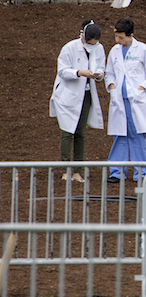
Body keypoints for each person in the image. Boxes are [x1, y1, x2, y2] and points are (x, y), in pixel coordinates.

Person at [49, 20, 106, 182]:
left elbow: (102, 66)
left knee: (81, 133)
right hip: (68, 95)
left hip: (86, 96)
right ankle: (65, 170)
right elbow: (62, 71)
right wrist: (79, 72)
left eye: (95, 44)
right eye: (90, 43)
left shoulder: (99, 48)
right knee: (68, 131)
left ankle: (77, 171)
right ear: (83, 37)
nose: (92, 46)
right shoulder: (69, 48)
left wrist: (100, 74)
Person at [105, 18, 146, 183]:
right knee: (119, 136)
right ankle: (116, 172)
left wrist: (141, 89)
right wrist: (113, 88)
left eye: (121, 38)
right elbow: (109, 73)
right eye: (116, 37)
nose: (117, 41)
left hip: (136, 100)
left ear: (131, 35)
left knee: (137, 135)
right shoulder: (114, 51)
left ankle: (142, 173)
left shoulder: (142, 49)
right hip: (119, 100)